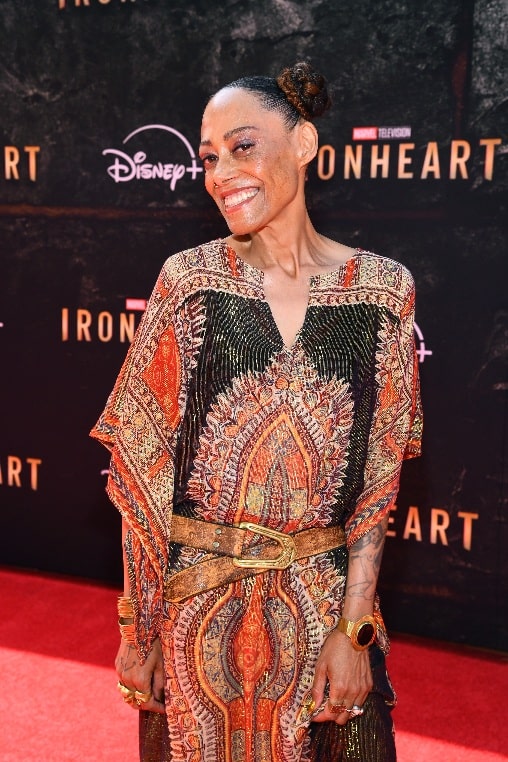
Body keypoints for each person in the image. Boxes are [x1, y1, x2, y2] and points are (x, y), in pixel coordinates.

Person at [91, 61, 422, 762]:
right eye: (209, 157)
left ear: (302, 145)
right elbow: (142, 474)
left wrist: (355, 631)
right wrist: (138, 629)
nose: (221, 174)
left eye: (243, 147)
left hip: (323, 613)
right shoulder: (188, 281)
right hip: (194, 622)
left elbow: (377, 483)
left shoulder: (384, 290)